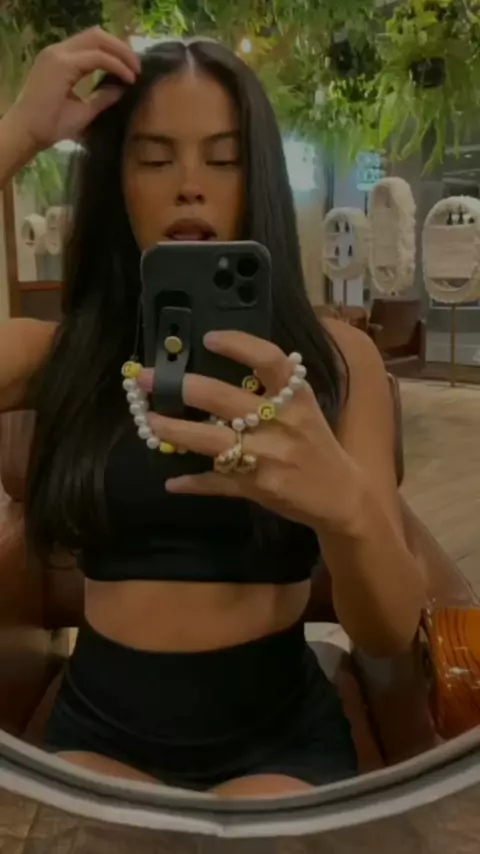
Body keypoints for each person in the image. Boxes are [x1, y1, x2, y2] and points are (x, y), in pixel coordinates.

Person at [0, 27, 425, 798]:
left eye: (223, 159)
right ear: (116, 181)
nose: (189, 185)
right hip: (99, 734)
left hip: (277, 742)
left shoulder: (333, 359)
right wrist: (17, 136)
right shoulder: (59, 353)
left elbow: (390, 630)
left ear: (256, 178)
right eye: (154, 158)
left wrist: (346, 508)